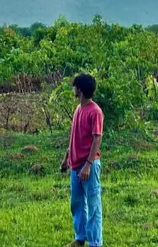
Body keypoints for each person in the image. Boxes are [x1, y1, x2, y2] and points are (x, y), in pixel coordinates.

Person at [61, 73, 104, 247]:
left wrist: (88, 165)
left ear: (80, 89)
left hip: (88, 166)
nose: (73, 89)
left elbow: (97, 138)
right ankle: (80, 237)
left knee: (93, 205)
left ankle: (95, 242)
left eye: (75, 86)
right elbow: (74, 136)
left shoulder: (95, 111)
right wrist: (66, 158)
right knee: (77, 203)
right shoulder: (78, 109)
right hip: (75, 164)